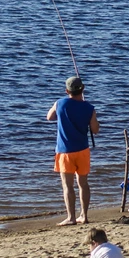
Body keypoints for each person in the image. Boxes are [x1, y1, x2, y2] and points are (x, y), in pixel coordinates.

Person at [46, 75, 99, 226]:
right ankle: (84, 215)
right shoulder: (89, 108)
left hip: (65, 151)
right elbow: (95, 130)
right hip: (83, 150)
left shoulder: (60, 103)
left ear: (66, 90)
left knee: (67, 185)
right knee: (83, 183)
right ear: (82, 89)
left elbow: (49, 117)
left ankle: (71, 217)